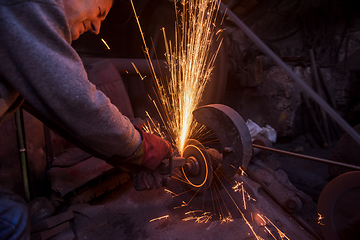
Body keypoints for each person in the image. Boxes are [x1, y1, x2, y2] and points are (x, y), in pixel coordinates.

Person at [0, 0, 173, 239]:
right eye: (100, 13)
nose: (96, 28)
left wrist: (124, 156)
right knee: (11, 220)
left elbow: (63, 117)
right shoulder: (31, 4)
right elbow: (76, 101)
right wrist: (142, 147)